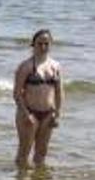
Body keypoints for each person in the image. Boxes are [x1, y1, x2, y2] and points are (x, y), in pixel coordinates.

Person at [13, 29, 64, 168]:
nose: (43, 47)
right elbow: (17, 94)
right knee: (24, 152)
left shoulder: (56, 66)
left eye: (46, 43)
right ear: (33, 44)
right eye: (39, 43)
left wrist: (57, 114)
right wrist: (25, 114)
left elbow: (59, 92)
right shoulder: (25, 66)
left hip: (48, 113)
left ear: (50, 44)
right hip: (29, 113)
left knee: (41, 153)